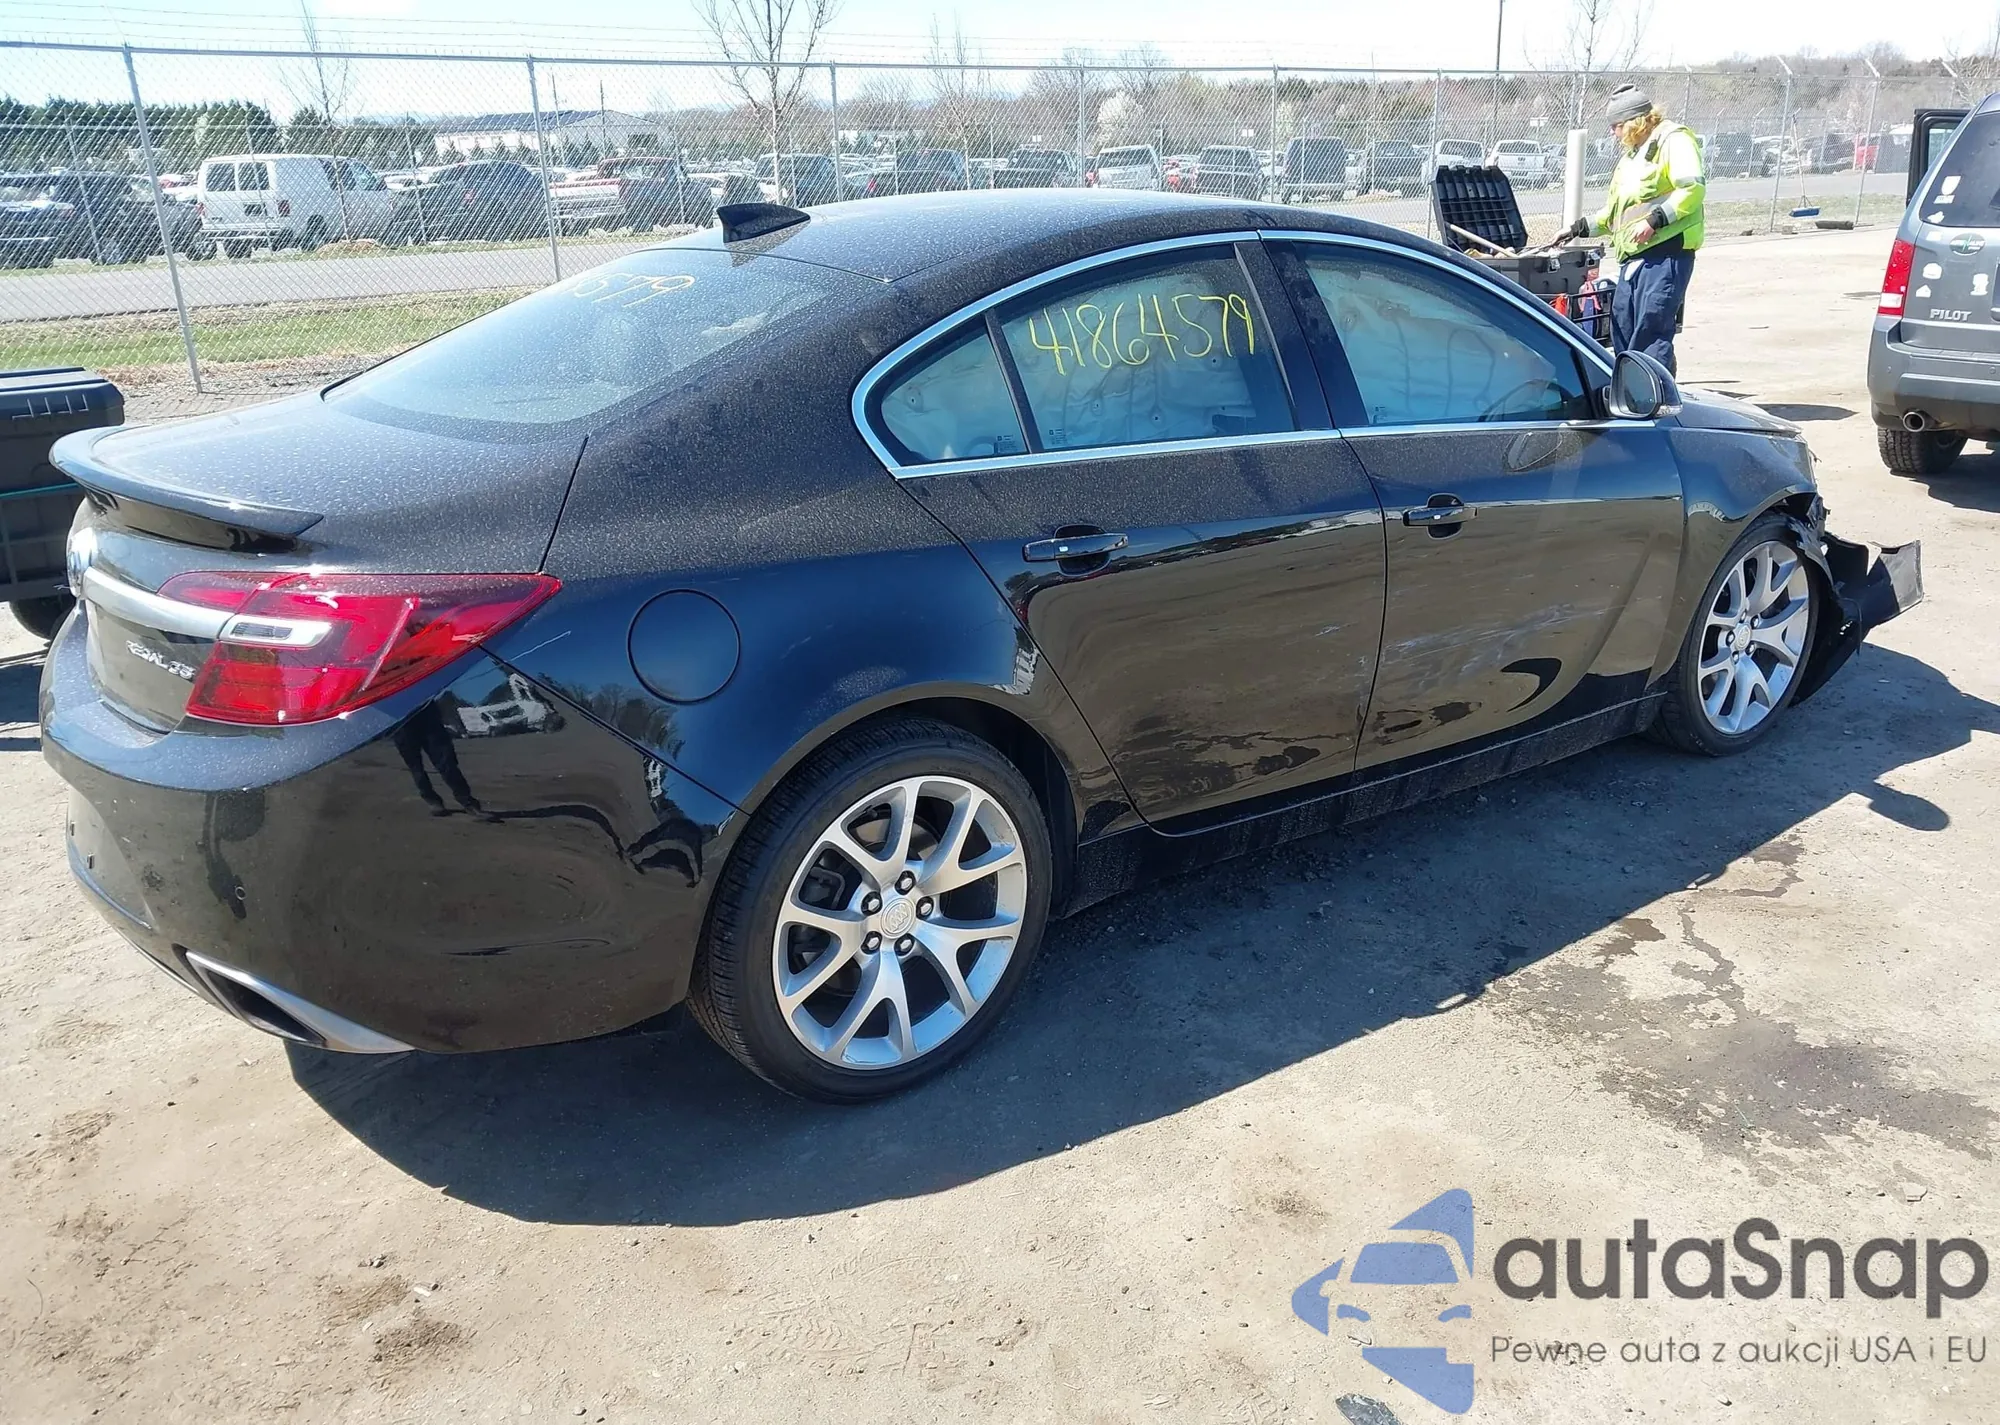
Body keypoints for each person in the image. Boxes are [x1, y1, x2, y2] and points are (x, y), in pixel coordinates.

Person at [1558, 83, 1705, 374]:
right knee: (1622, 329)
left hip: (1665, 255)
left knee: (1650, 332)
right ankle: (1631, 389)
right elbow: (1617, 215)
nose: (1613, 133)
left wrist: (1656, 220)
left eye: (1617, 126)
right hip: (1633, 258)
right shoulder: (1632, 157)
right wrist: (1578, 228)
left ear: (1634, 121)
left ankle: (1654, 394)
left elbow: (1693, 189)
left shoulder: (1673, 141)